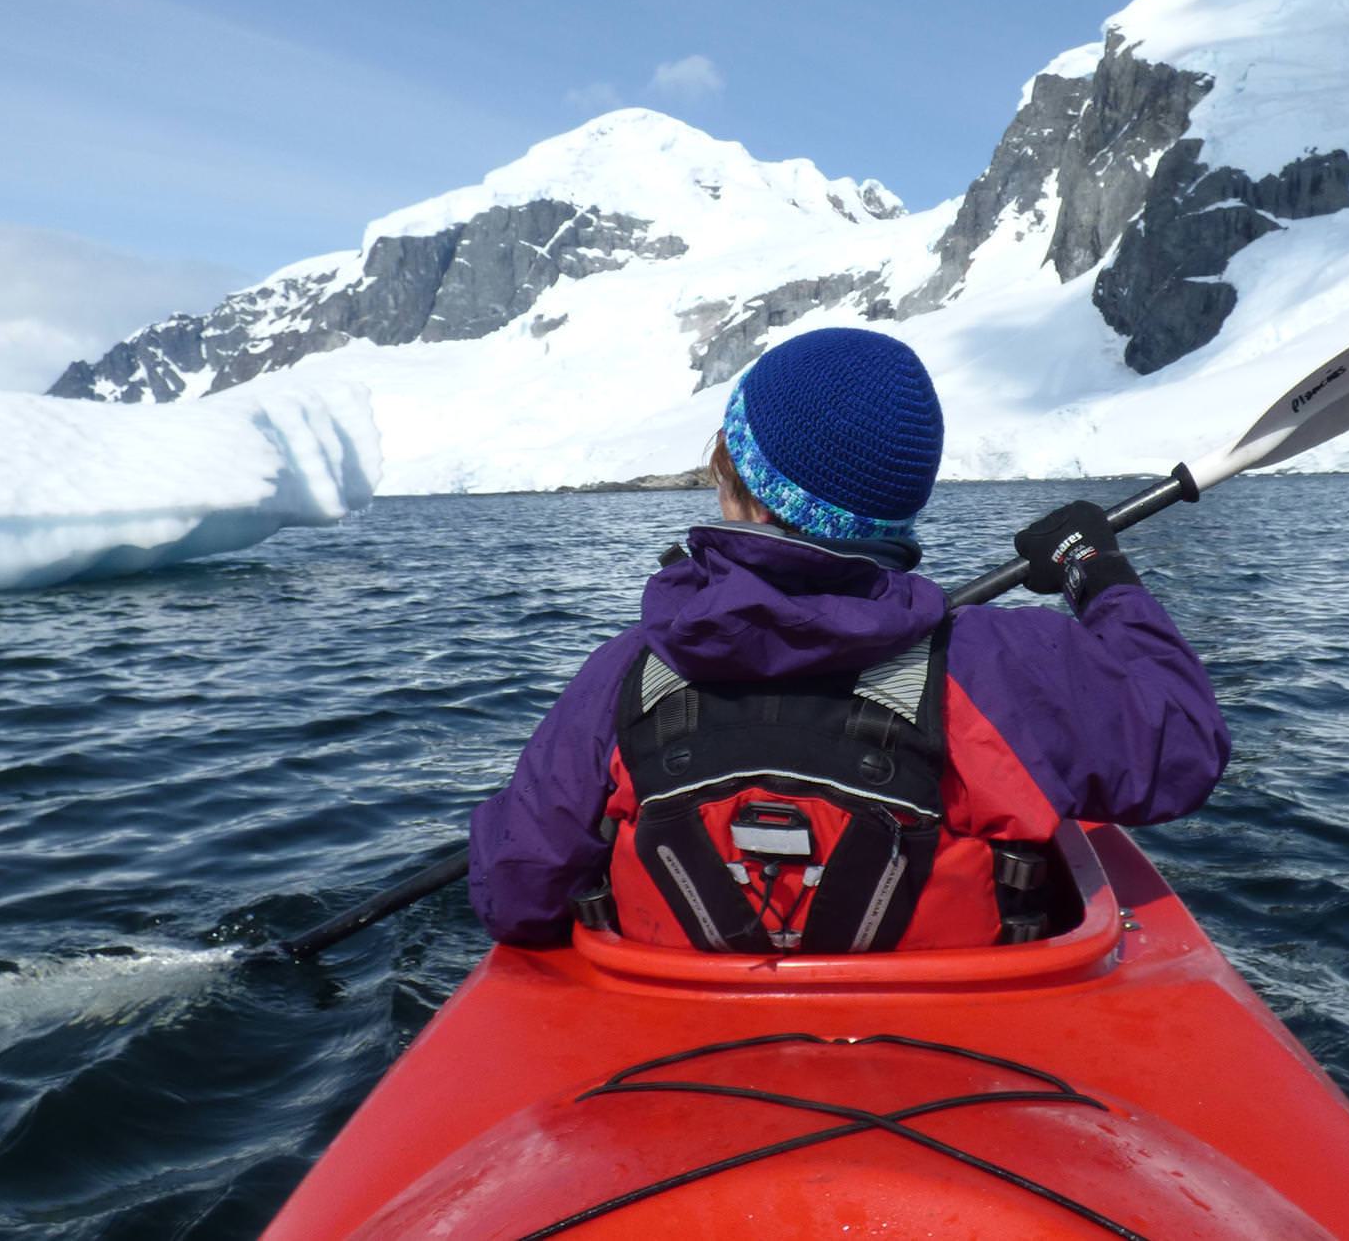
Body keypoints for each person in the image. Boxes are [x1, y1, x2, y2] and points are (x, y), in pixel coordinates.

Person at [468, 327, 1229, 952]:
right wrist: (1097, 574)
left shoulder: (626, 673)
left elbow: (516, 894)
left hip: (688, 1057)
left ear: (749, 501)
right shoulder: (1001, 666)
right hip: (947, 1059)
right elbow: (1184, 744)